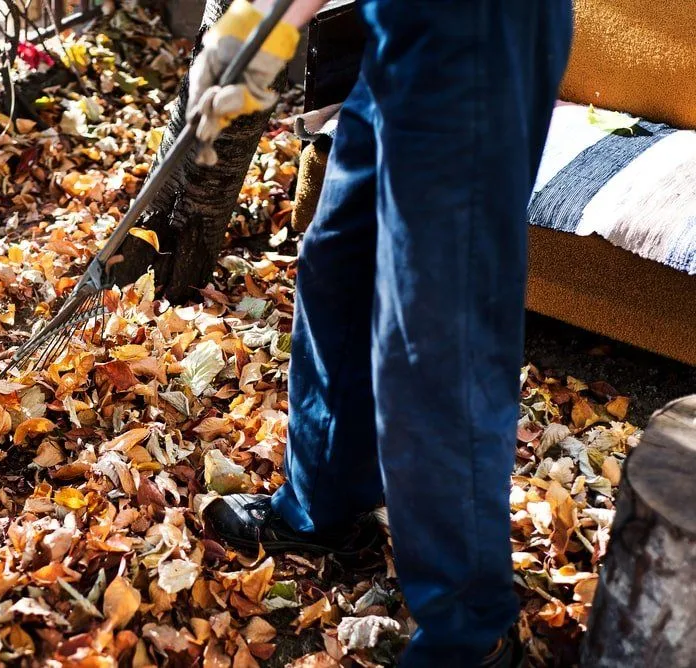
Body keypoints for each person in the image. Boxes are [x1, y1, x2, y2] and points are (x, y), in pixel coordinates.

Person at [186, 1, 573, 666]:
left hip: (477, 32)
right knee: (343, 261)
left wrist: (264, 18)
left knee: (434, 332)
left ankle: (468, 629)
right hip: (410, 28)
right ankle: (325, 504)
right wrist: (263, 24)